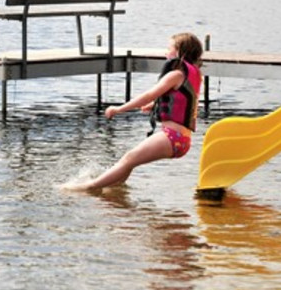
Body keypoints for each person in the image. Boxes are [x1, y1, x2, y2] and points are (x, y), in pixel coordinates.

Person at [63, 32, 203, 191]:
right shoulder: (193, 75)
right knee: (130, 161)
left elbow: (148, 94)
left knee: (128, 159)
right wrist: (153, 105)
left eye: (169, 48)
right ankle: (115, 190)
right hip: (182, 140)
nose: (166, 52)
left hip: (172, 137)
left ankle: (86, 188)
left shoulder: (176, 74)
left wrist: (118, 109)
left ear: (180, 52)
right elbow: (184, 102)